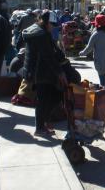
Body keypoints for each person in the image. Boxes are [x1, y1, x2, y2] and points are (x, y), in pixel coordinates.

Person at [23, 10, 68, 138]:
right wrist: (60, 73)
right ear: (45, 22)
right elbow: (48, 56)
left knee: (54, 95)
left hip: (41, 70)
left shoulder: (40, 30)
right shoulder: (41, 34)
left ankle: (45, 122)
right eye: (52, 25)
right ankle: (39, 128)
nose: (53, 27)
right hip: (39, 72)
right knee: (43, 100)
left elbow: (52, 51)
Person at [79, 15, 105, 88]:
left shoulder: (95, 34)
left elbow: (89, 48)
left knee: (103, 83)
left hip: (101, 63)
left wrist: (81, 53)